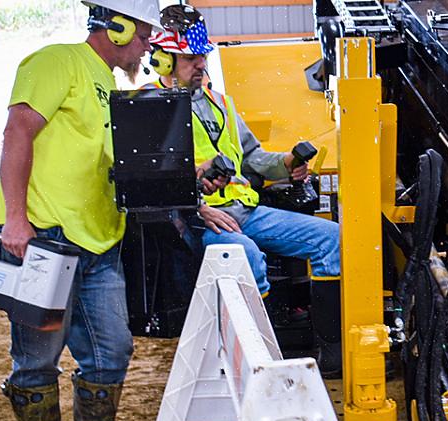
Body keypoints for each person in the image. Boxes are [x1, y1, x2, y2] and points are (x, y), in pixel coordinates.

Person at [0, 1, 159, 421]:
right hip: (45, 237)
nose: (149, 43)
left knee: (112, 352)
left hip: (99, 242)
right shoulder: (57, 61)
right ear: (119, 24)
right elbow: (18, 131)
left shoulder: (111, 87)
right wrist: (15, 219)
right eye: (144, 32)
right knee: (37, 358)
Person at [145, 4, 343, 377]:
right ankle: (262, 365)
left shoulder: (220, 102)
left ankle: (329, 355)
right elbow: (148, 181)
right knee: (248, 257)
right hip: (194, 221)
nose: (200, 63)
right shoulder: (146, 108)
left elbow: (251, 157)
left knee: (331, 238)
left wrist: (285, 162)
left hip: (244, 210)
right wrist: (196, 196)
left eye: (203, 54)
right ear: (164, 61)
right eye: (190, 57)